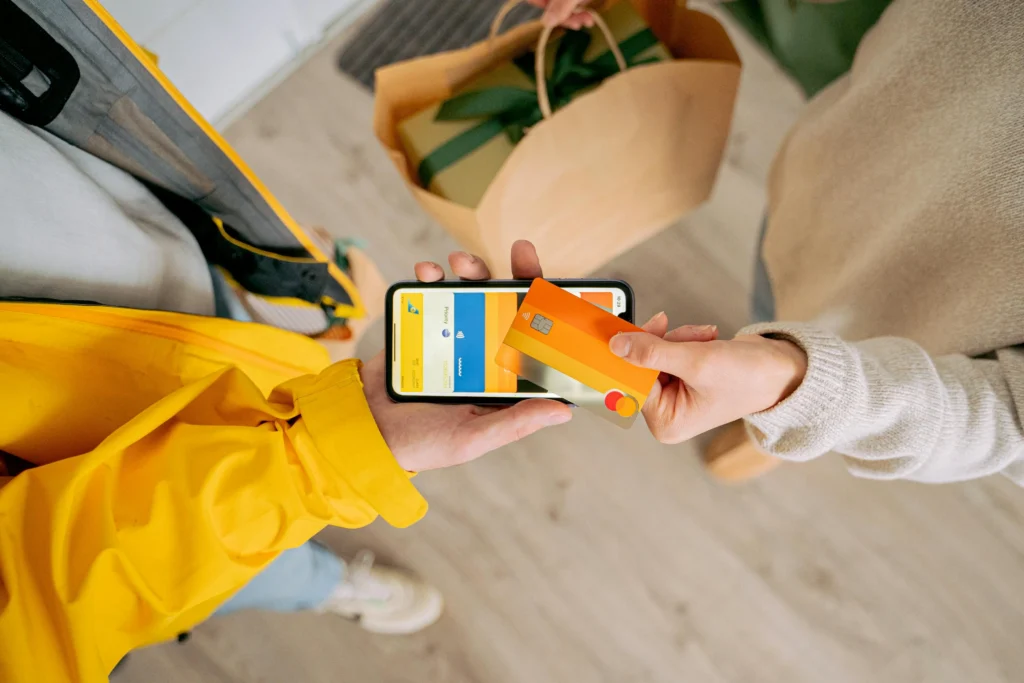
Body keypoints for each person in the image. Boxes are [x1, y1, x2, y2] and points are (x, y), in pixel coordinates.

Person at [0, 108, 571, 682]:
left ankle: (309, 558)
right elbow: (54, 592)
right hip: (106, 468)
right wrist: (321, 459)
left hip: (114, 304)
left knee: (213, 329)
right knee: (234, 568)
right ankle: (326, 584)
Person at [538, 0, 1023, 485]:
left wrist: (803, 390)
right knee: (776, 277)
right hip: (838, 165)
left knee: (806, 359)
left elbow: (1005, 422)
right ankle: (773, 394)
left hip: (925, 345)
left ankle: (784, 415)